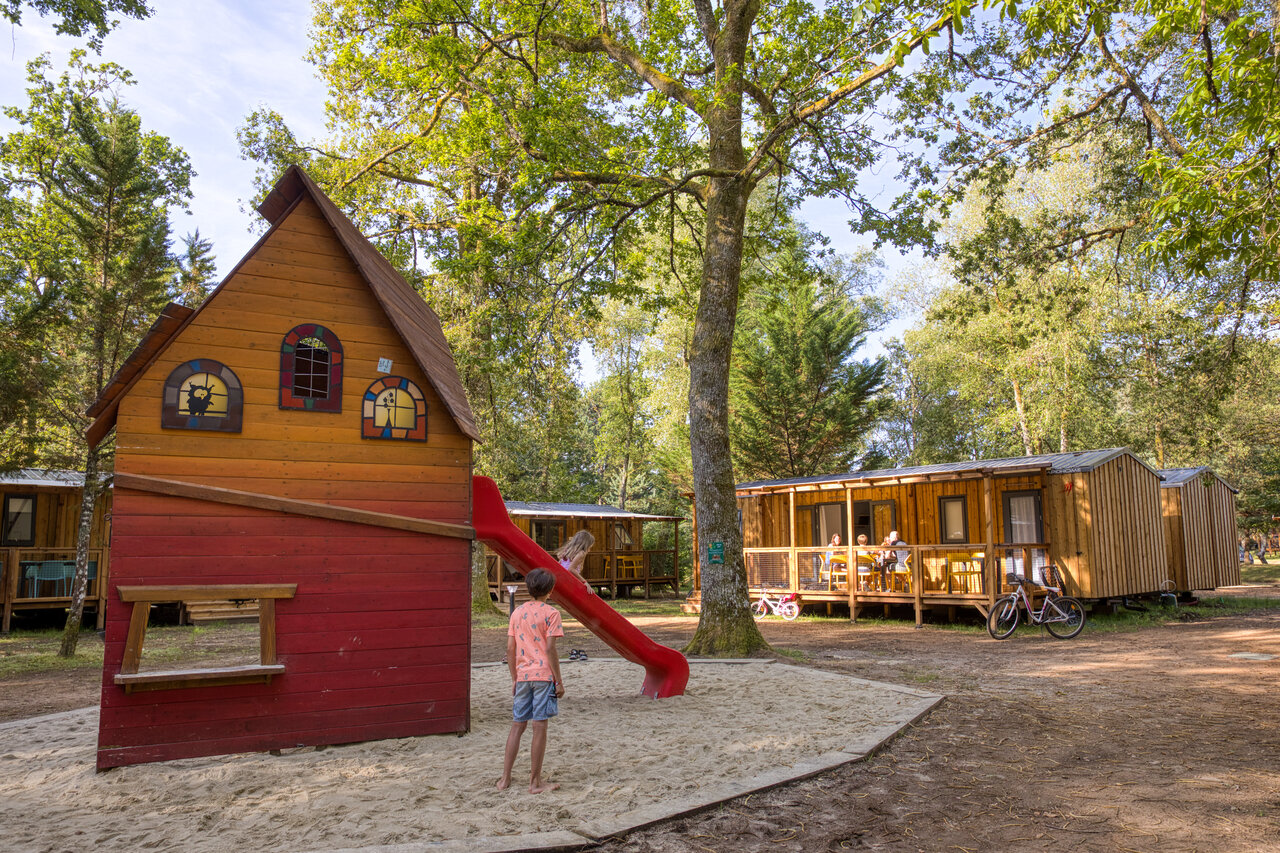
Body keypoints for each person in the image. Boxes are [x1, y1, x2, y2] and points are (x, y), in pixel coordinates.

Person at [498, 568, 565, 794]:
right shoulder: (552, 614)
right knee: (539, 726)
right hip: (543, 676)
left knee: (517, 725)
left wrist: (515, 678)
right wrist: (558, 680)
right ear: (550, 590)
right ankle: (535, 782)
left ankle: (505, 779)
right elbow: (550, 649)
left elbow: (510, 649)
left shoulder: (517, 613)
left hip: (523, 675)